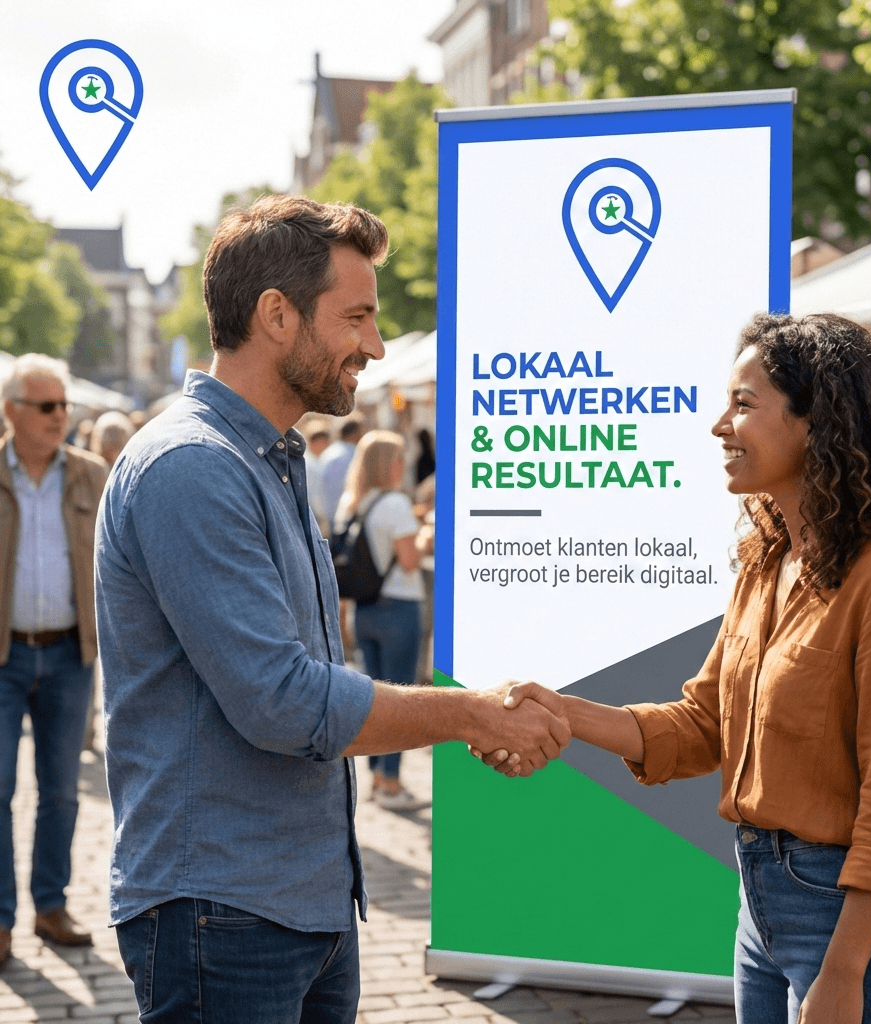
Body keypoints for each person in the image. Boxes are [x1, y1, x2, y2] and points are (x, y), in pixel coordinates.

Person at [94, 193, 569, 1023]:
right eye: (356, 317)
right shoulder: (192, 466)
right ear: (276, 314)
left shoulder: (271, 459)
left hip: (300, 899)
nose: (375, 346)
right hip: (225, 908)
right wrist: (470, 714)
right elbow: (282, 700)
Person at [480, 313, 871, 1024]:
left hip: (859, 929)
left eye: (743, 404)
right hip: (760, 908)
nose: (718, 426)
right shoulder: (766, 563)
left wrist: (844, 970)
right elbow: (703, 726)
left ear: (817, 422)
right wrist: (560, 710)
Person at [0, 354, 108, 966]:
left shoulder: (91, 474)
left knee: (62, 792)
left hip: (71, 654)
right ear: (11, 411)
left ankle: (51, 905)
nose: (60, 416)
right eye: (47, 406)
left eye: (64, 404)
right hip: (4, 655)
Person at [336, 430, 429, 810]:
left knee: (373, 701)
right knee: (402, 700)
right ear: (388, 464)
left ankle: (376, 778)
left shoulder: (352, 502)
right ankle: (391, 783)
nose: (404, 466)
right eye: (400, 459)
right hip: (399, 607)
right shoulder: (395, 503)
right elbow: (409, 560)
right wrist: (425, 535)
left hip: (365, 609)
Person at [321, 413, 366, 524]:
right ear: (356, 433)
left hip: (330, 515)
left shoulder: (329, 452)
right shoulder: (353, 455)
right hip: (347, 517)